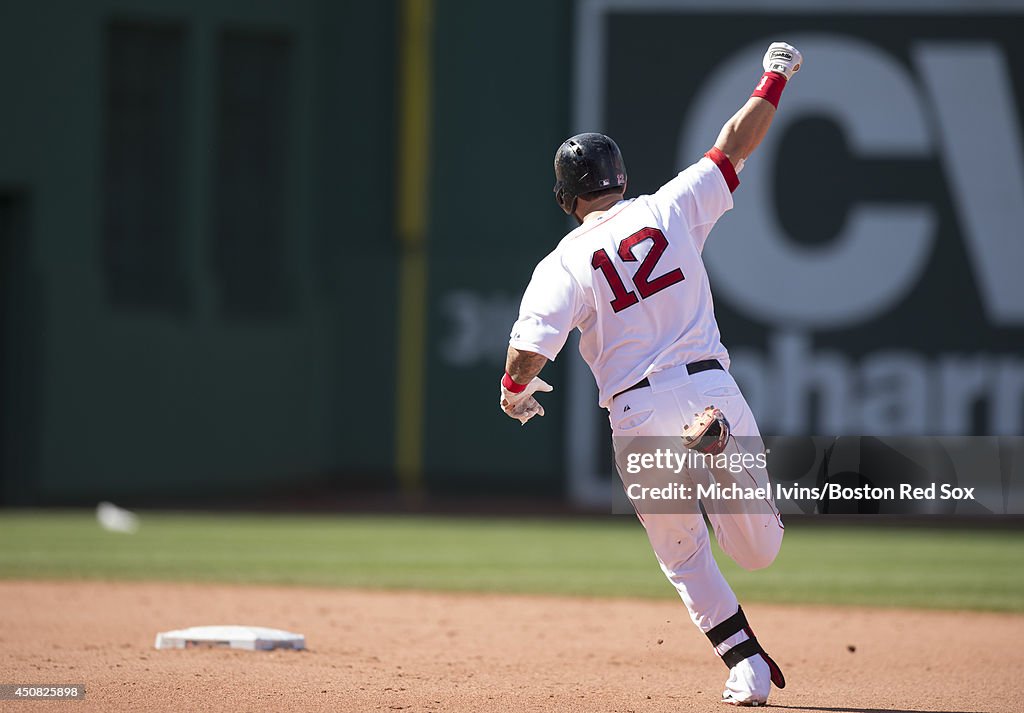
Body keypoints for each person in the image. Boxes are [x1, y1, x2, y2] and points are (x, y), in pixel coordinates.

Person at [499, 42, 804, 706]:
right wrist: (774, 78)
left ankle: (746, 666)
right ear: (620, 176)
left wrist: (513, 392)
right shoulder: (669, 207)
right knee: (758, 552)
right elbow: (733, 143)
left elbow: (527, 355)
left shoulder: (561, 263)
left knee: (684, 555)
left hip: (636, 411)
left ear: (564, 197)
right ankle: (718, 449)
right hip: (707, 385)